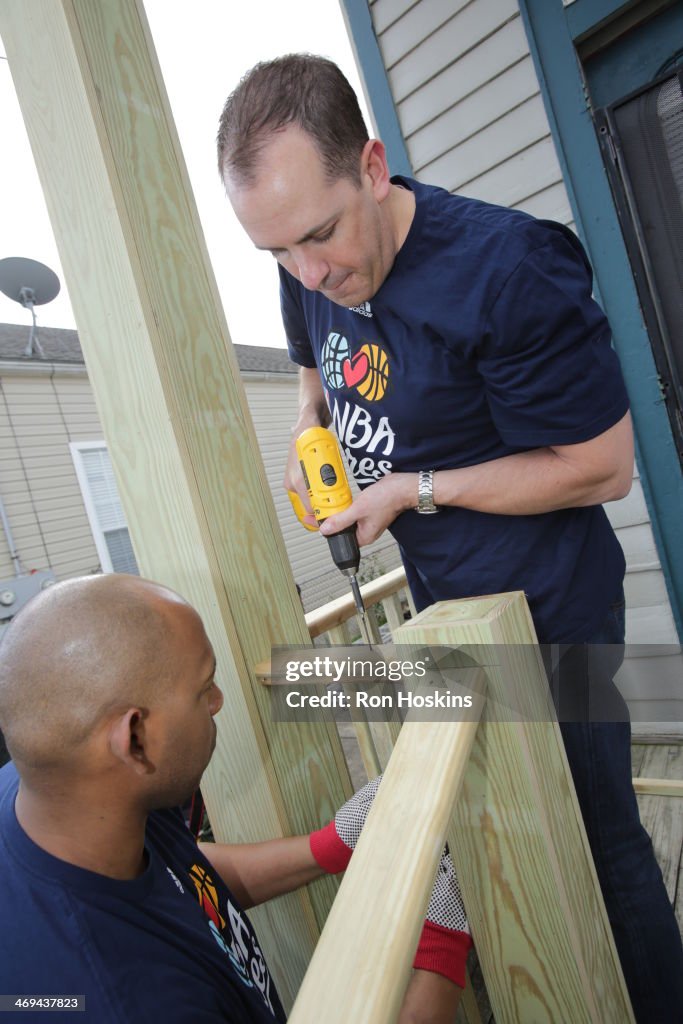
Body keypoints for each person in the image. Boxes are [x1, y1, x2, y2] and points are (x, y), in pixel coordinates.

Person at [216, 54, 683, 1022]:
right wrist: (311, 430)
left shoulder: (508, 270)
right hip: (449, 611)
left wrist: (408, 489)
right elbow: (311, 367)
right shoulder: (307, 262)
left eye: (318, 237)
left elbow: (600, 467)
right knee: (497, 825)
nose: (309, 273)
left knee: (599, 835)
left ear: (373, 168)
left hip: (556, 604)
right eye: (276, 254)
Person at [0, 573, 470, 1023]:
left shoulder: (61, 797)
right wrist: (441, 948)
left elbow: (183, 874)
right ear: (136, 740)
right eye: (203, 688)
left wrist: (329, 846)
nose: (219, 700)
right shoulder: (131, 1002)